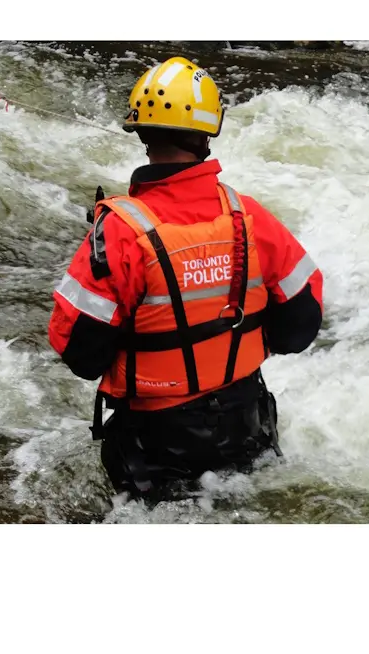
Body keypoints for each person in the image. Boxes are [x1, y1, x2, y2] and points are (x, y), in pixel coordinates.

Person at [48, 57, 324, 503]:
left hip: (154, 445)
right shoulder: (250, 217)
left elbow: (81, 353)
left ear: (140, 131)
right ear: (207, 133)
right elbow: (301, 327)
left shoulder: (120, 231)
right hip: (245, 427)